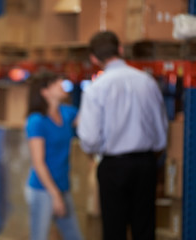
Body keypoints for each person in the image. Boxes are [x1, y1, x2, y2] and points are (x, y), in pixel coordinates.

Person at [77, 31, 168, 240]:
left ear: (93, 58)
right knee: (144, 228)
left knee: (113, 229)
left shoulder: (96, 88)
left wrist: (94, 153)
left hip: (113, 166)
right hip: (145, 163)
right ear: (120, 49)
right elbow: (161, 129)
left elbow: (89, 138)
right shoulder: (147, 81)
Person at [25, 71, 83, 240]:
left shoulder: (67, 113)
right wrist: (55, 195)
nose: (62, 85)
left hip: (62, 186)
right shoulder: (36, 121)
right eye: (57, 83)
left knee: (74, 236)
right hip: (43, 189)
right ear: (45, 92)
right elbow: (38, 163)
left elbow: (90, 122)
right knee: (39, 237)